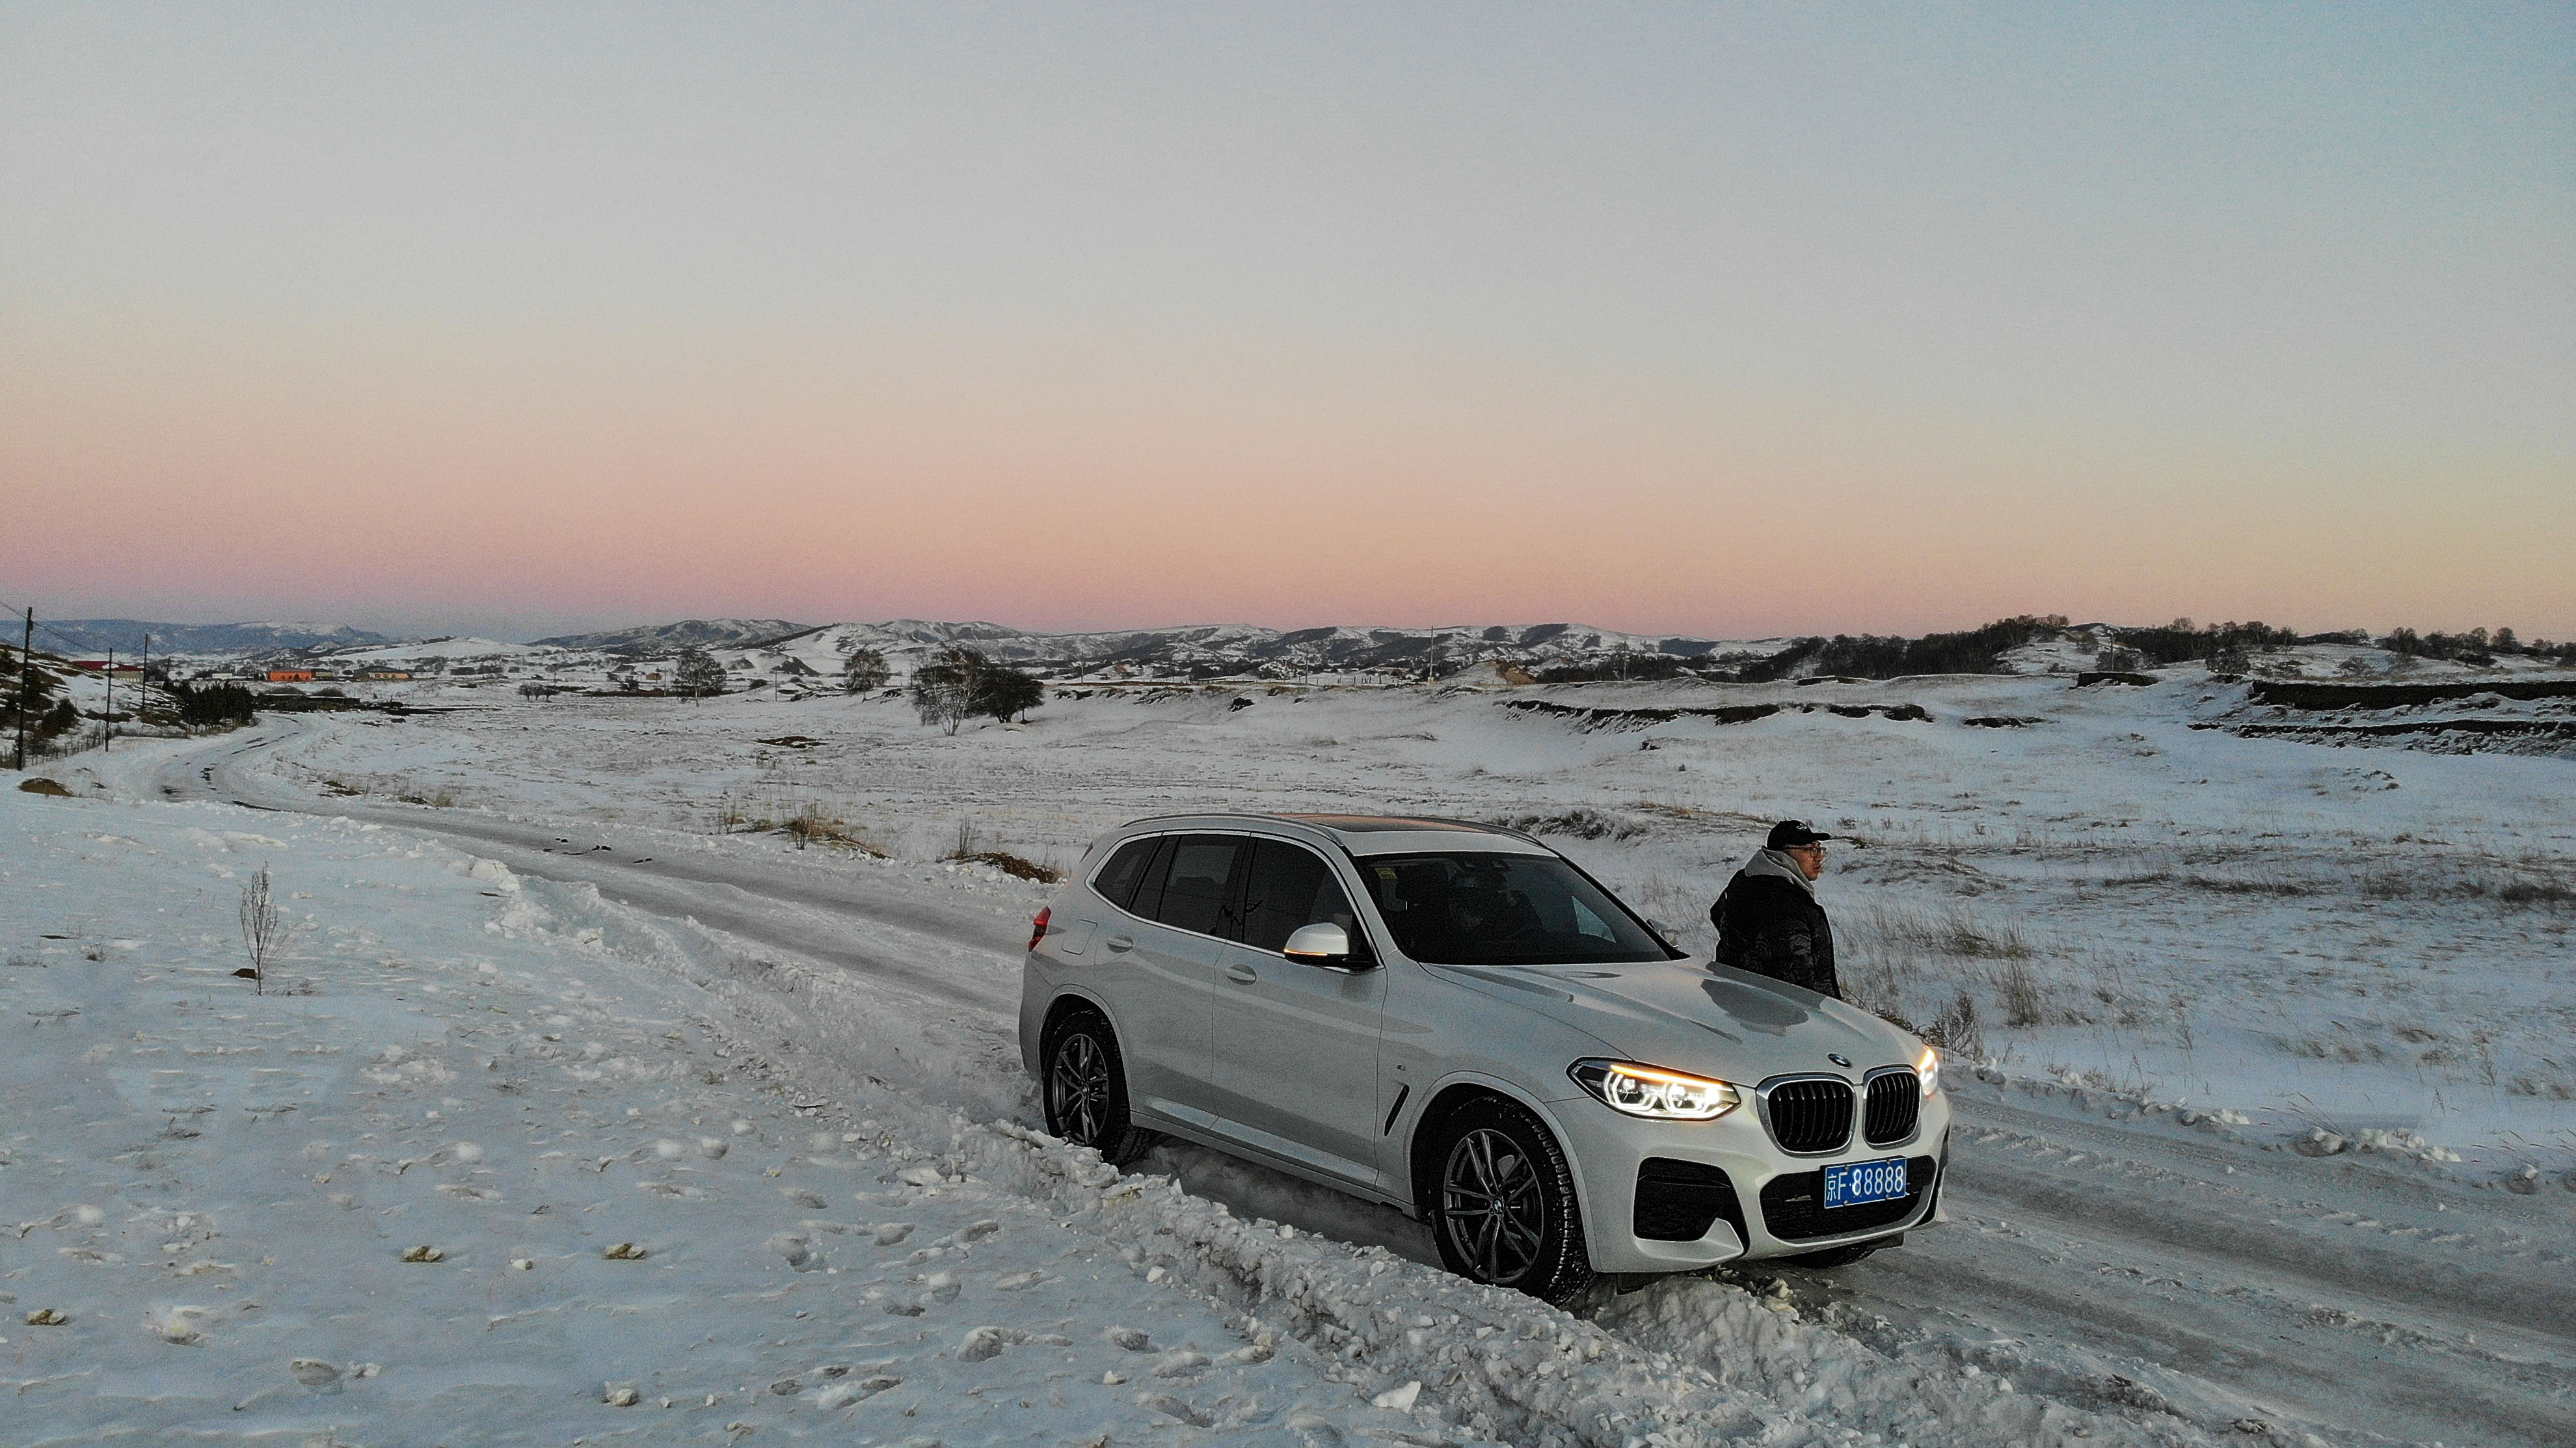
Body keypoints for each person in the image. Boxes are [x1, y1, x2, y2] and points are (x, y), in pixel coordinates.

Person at [1708, 820, 1840, 999]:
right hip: (1781, 1015)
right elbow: (1797, 980)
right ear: (1783, 855)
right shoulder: (1783, 904)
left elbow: (1718, 913)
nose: (1818, 856)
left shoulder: (1746, 877)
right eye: (1810, 849)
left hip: (1737, 999)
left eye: (1818, 848)